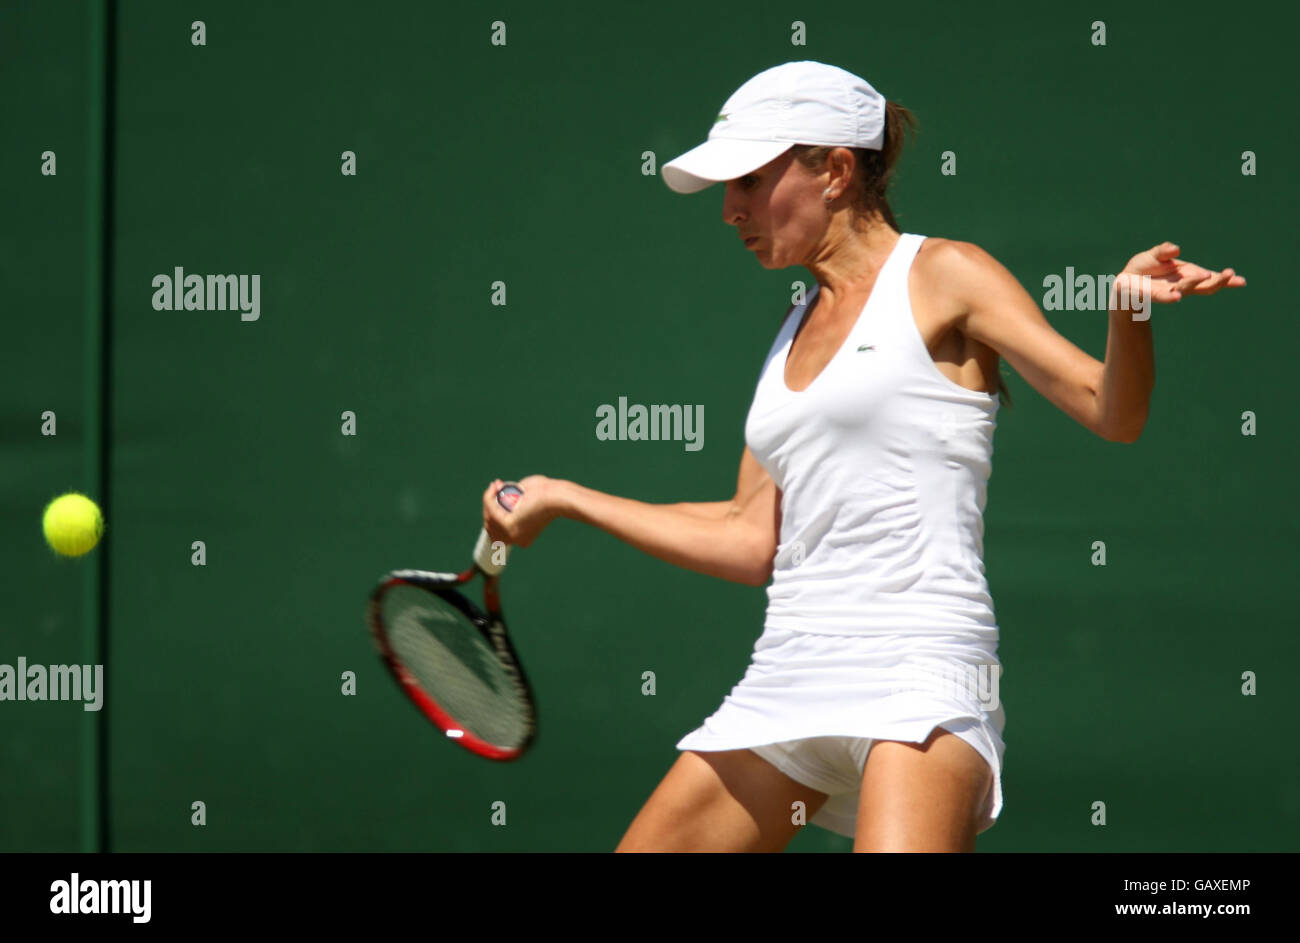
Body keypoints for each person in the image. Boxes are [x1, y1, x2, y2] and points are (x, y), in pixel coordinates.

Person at [480, 61, 1245, 852]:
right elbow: (749, 537)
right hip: (788, 674)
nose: (730, 210)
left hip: (921, 671)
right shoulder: (788, 335)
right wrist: (567, 496)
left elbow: (1111, 411)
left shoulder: (947, 273)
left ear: (837, 171)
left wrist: (1125, 310)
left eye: (749, 180)